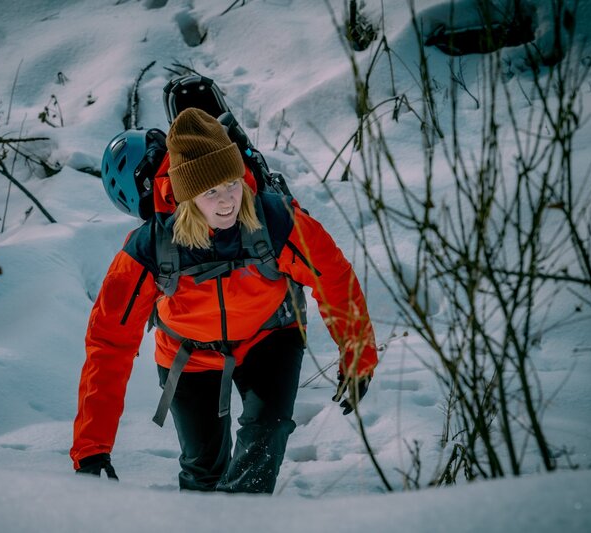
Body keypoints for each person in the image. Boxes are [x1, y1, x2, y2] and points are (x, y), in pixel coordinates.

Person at [71, 107, 378, 493]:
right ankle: (205, 516)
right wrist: (92, 447)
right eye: (210, 191)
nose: (227, 201)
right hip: (188, 354)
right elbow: (110, 342)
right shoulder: (150, 247)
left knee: (267, 433)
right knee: (202, 470)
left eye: (232, 183)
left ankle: (239, 517)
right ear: (187, 197)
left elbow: (333, 278)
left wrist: (358, 354)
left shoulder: (275, 221)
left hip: (269, 338)